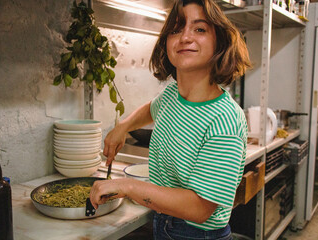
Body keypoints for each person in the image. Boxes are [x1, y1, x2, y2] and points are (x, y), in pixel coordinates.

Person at [90, 0, 251, 239]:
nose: (185, 37)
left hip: (196, 234)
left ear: (219, 42)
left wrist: (128, 186)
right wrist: (123, 127)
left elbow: (200, 208)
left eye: (199, 29)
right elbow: (150, 109)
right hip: (164, 220)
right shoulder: (172, 96)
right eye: (176, 29)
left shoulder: (225, 119)